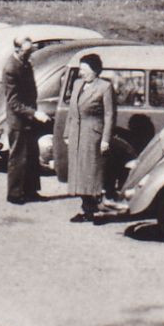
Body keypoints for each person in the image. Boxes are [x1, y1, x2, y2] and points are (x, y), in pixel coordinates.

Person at [63, 52, 115, 220]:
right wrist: (66, 132)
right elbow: (71, 111)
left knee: (91, 171)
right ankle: (87, 208)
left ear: (94, 70)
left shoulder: (104, 87)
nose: (81, 72)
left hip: (93, 134)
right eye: (80, 68)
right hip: (76, 133)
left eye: (84, 69)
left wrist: (105, 139)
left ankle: (96, 209)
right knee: (79, 171)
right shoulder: (78, 84)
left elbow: (109, 115)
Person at [3, 35, 46, 204]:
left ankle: (31, 191)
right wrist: (34, 113)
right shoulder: (11, 69)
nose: (30, 55)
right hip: (19, 120)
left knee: (32, 155)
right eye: (27, 52)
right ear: (17, 50)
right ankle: (14, 194)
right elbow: (13, 102)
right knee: (18, 156)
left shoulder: (25, 63)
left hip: (29, 116)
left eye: (31, 51)